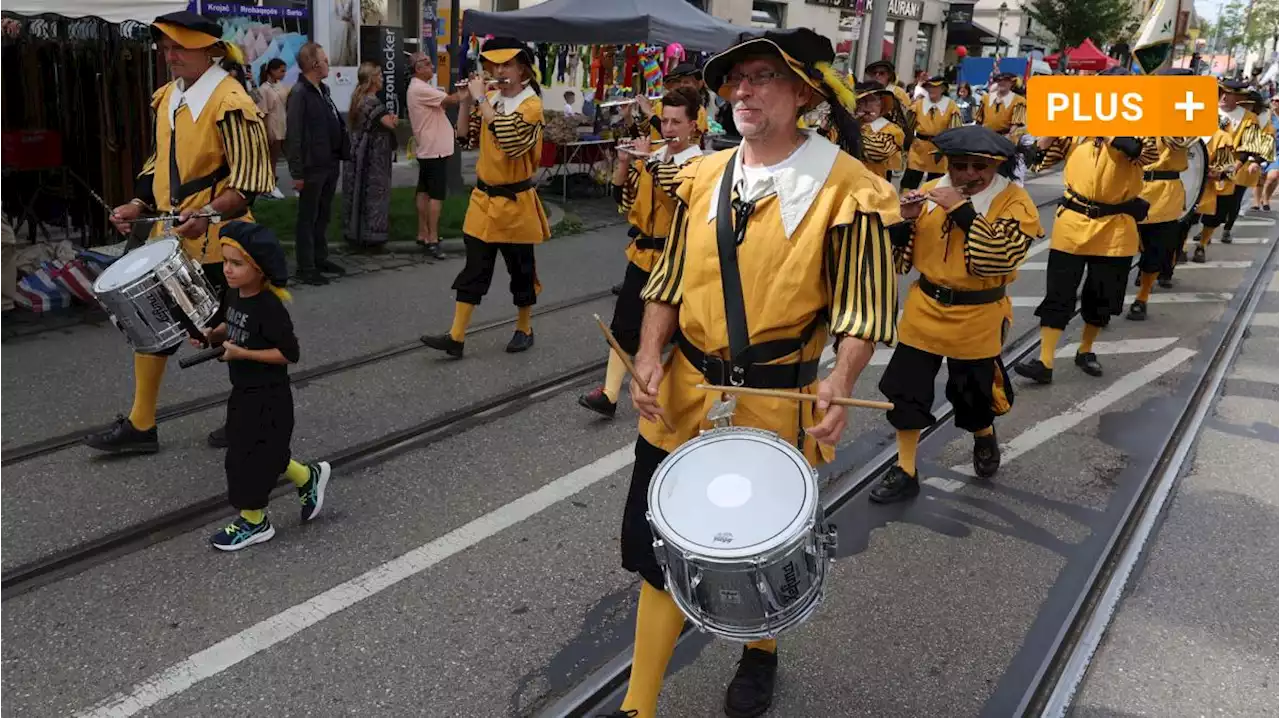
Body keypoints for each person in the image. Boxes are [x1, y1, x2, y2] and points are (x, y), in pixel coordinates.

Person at [604, 27, 900, 718]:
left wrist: (842, 378)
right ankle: (638, 705)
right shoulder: (702, 175)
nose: (743, 89)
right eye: (736, 78)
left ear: (804, 93)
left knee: (760, 554)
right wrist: (649, 354)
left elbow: (862, 309)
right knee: (661, 545)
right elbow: (667, 281)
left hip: (776, 399)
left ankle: (759, 652)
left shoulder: (851, 190)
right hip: (684, 393)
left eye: (763, 76)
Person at [87, 10, 274, 455]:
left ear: (208, 49)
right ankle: (141, 425)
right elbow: (158, 163)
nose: (169, 55)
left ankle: (251, 416)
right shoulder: (168, 97)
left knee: (236, 332)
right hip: (168, 242)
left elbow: (249, 183)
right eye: (166, 47)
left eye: (179, 47)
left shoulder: (231, 101)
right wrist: (138, 203)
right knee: (148, 326)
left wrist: (207, 212)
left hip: (221, 242)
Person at [872, 125, 1042, 502]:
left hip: (978, 314)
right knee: (906, 392)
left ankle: (983, 434)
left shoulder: (1015, 201)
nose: (969, 175)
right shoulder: (932, 190)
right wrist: (905, 221)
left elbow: (995, 258)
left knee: (973, 395)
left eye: (980, 167)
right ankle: (905, 467)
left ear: (996, 166)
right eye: (960, 166)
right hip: (925, 308)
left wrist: (961, 210)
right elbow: (900, 263)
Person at [200, 221, 330, 551]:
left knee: (245, 458)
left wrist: (242, 352)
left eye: (236, 263)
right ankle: (307, 477)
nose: (227, 269)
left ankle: (255, 522)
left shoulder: (270, 307)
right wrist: (213, 335)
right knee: (261, 451)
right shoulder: (233, 293)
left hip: (270, 395)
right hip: (243, 389)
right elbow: (232, 322)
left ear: (259, 269)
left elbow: (289, 354)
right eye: (225, 261)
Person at [578, 87, 705, 418]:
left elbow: (675, 188)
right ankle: (608, 394)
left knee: (678, 331)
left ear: (693, 125)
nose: (668, 129)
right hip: (642, 254)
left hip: (678, 259)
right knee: (624, 324)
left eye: (677, 122)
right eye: (664, 121)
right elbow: (624, 203)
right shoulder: (654, 159)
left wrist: (648, 161)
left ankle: (672, 392)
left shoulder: (699, 163)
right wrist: (623, 164)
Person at [419, 37, 549, 357]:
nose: (498, 71)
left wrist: (482, 101)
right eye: (494, 65)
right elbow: (466, 138)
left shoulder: (532, 106)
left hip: (516, 203)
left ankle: (524, 327)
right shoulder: (490, 97)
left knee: (521, 269)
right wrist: (465, 101)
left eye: (506, 65)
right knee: (474, 268)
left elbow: (508, 140)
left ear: (523, 70)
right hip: (483, 200)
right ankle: (456, 337)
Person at [1014, 131, 1159, 384]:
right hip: (1071, 224)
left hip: (1114, 228)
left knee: (1101, 295)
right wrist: (1047, 138)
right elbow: (1034, 164)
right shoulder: (1073, 132)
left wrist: (1108, 134)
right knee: (1058, 294)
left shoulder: (1138, 131)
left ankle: (1085, 349)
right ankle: (1045, 361)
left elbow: (1145, 154)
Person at [286, 42, 350, 286]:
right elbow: (295, 135)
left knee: (323, 215)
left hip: (329, 162)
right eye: (324, 60)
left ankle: (320, 257)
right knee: (308, 216)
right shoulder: (300, 93)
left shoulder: (322, 89)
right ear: (314, 64)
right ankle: (306, 266)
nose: (328, 64)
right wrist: (297, 172)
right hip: (312, 166)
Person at [1202, 80, 1273, 246]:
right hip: (1201, 167)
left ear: (1239, 97)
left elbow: (1254, 145)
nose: (1224, 97)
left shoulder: (1253, 119)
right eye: (1221, 92)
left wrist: (1251, 162)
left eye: (1230, 94)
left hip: (1234, 169)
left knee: (1224, 206)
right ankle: (1181, 246)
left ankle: (1205, 242)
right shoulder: (1203, 110)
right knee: (1192, 209)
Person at [406, 52, 461, 258]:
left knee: (424, 191)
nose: (432, 66)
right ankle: (432, 238)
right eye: (427, 64)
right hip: (435, 149)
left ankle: (423, 232)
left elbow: (442, 102)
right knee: (436, 195)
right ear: (418, 69)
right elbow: (451, 99)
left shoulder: (420, 88)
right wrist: (471, 90)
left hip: (429, 148)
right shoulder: (420, 88)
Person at [342, 61, 399, 248]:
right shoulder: (372, 102)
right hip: (372, 157)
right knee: (374, 194)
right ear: (373, 79)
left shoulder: (358, 99)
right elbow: (389, 123)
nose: (382, 78)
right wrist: (394, 120)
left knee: (357, 193)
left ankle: (355, 231)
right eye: (380, 75)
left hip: (358, 152)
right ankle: (371, 235)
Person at [1182, 114, 1236, 267]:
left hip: (1210, 186)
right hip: (1187, 183)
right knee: (1185, 218)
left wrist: (1218, 172)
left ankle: (1202, 246)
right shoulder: (1181, 134)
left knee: (1212, 219)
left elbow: (1229, 166)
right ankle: (1182, 247)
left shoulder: (1222, 137)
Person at [901, 76, 961, 191]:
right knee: (909, 183)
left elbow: (955, 131)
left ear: (943, 89)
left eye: (936, 87)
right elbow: (908, 127)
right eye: (929, 87)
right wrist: (906, 146)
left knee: (936, 185)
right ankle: (905, 204)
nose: (932, 90)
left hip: (939, 149)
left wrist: (950, 149)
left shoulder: (951, 106)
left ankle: (930, 207)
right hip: (919, 148)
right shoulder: (918, 104)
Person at [636, 63, 710, 146]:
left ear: (697, 85)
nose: (681, 85)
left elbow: (679, 139)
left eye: (686, 82)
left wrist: (650, 113)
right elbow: (642, 135)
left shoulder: (699, 110)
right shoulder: (660, 106)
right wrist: (628, 117)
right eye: (678, 82)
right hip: (655, 156)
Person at [854, 81, 904, 181]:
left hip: (874, 185)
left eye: (873, 100)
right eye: (863, 101)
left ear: (881, 104)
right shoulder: (847, 123)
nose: (868, 105)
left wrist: (852, 128)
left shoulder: (891, 130)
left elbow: (878, 152)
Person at [256, 58, 288, 199]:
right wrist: (267, 131)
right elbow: (263, 112)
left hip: (282, 124)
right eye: (281, 71)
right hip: (272, 125)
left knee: (275, 157)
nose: (284, 73)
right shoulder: (263, 89)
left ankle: (271, 183)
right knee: (270, 158)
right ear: (272, 71)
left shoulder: (280, 85)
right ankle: (268, 185)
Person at [975, 71, 1026, 140]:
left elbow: (1016, 124)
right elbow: (979, 120)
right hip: (985, 136)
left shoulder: (1019, 101)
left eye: (1006, 81)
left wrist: (1008, 137)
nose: (1002, 83)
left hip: (1005, 138)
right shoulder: (986, 98)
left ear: (1012, 83)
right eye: (999, 80)